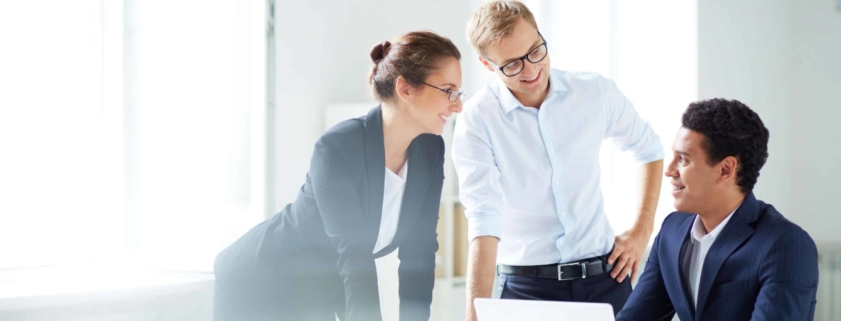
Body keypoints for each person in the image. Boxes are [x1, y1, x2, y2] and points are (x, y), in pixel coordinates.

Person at [213, 31, 464, 321]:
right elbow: (355, 259)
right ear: (405, 89)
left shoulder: (430, 150)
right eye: (449, 90)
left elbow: (419, 253)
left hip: (326, 283)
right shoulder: (339, 147)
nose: (457, 105)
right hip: (261, 279)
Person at [453, 1, 665, 319]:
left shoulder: (594, 93)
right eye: (512, 64)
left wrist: (641, 231)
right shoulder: (478, 119)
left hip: (607, 280)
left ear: (540, 35)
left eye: (536, 51)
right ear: (487, 65)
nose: (531, 69)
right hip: (526, 292)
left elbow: (649, 150)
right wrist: (473, 316)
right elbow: (484, 220)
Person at [616, 98, 819, 321]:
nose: (670, 170)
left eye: (683, 159)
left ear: (725, 169)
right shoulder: (671, 231)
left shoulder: (785, 244)